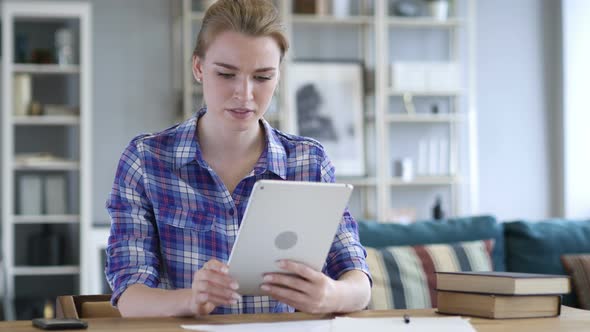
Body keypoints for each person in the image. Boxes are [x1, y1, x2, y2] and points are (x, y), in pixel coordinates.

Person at [105, 0, 371, 317]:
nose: (244, 94)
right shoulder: (146, 161)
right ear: (199, 68)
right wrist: (191, 300)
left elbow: (358, 281)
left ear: (278, 75)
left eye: (262, 77)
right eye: (227, 74)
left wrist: (331, 295)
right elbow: (129, 296)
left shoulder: (308, 161)